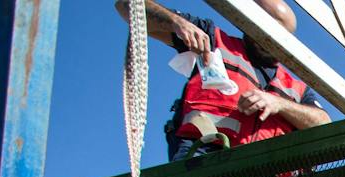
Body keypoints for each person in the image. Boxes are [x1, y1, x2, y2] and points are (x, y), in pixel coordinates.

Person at [116, 0, 330, 161]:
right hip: (206, 159)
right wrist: (175, 22)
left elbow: (323, 123)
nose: (271, 41)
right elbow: (127, 7)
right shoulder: (212, 40)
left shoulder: (296, 89)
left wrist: (279, 103)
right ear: (248, 24)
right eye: (266, 31)